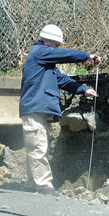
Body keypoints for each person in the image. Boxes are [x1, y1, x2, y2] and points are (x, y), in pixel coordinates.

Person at [20, 24, 100, 196]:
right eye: (56, 46)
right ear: (47, 41)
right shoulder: (39, 52)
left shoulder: (46, 64)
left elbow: (62, 79)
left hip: (35, 108)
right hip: (34, 108)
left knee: (37, 146)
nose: (57, 50)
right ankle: (44, 185)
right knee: (38, 147)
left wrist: (82, 90)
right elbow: (65, 55)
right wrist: (87, 56)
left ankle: (30, 183)